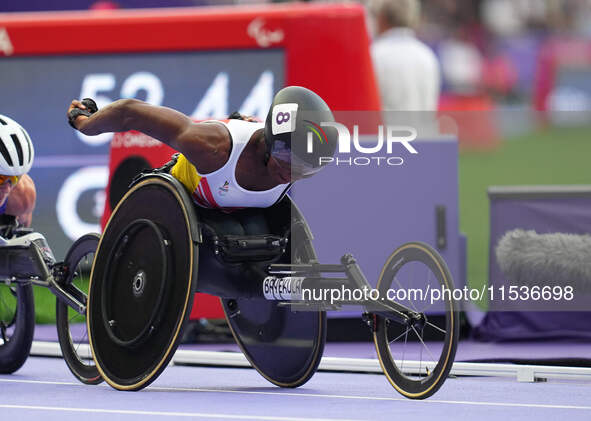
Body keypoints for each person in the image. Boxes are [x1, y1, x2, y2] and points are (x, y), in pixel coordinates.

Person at [67, 86, 337, 235]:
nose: (290, 174)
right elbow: (131, 113)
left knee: (255, 232)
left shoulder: (299, 161)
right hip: (188, 205)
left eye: (303, 169)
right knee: (236, 231)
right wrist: (85, 123)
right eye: (286, 161)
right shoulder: (212, 146)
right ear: (268, 143)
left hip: (245, 216)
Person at [368, 0, 441, 111]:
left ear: (382, 17)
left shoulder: (374, 55)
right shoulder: (427, 56)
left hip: (387, 128)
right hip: (423, 128)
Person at [0, 115, 36, 228]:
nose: (7, 189)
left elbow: (20, 241)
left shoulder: (22, 196)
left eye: (14, 178)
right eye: (1, 179)